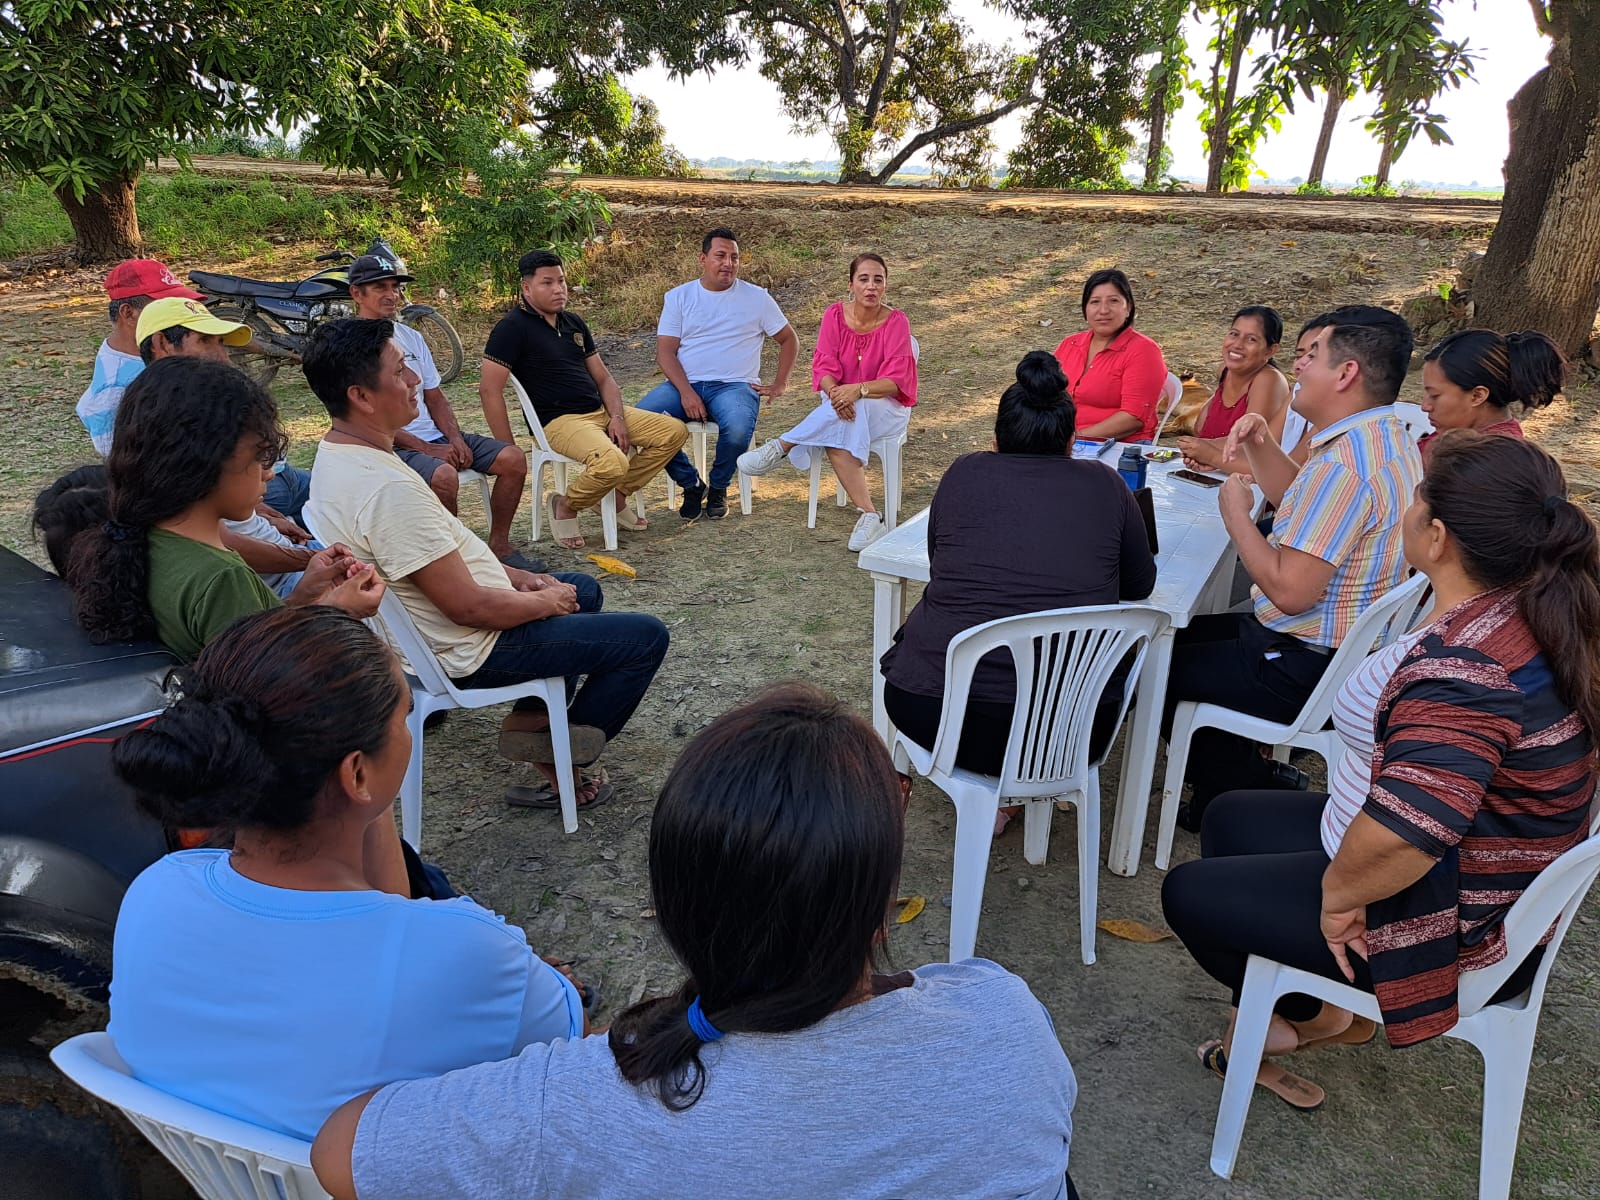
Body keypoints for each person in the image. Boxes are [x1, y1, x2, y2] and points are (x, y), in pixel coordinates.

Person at [312, 682, 1080, 1200]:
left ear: (675, 903)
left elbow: (341, 1152)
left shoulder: (581, 1101)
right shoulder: (1004, 1019)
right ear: (876, 896)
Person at [1161, 433, 1600, 1106]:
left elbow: (1408, 835)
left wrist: (1341, 901)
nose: (1407, 505)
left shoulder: (1469, 673)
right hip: (1461, 865)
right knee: (1229, 817)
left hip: (1444, 910)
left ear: (1438, 536)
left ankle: (1313, 1011)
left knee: (1189, 895)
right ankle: (1304, 1001)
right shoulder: (1524, 607)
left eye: (1417, 497)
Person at [107, 607, 587, 1141]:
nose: (408, 732)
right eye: (404, 718)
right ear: (356, 772)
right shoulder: (467, 950)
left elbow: (384, 920)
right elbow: (572, 1047)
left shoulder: (157, 890)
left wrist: (362, 798)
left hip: (225, 1173)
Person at [305, 319, 670, 811]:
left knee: (583, 588)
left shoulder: (341, 455)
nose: (415, 379)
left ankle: (532, 720)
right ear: (361, 396)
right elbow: (468, 608)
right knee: (644, 639)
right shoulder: (386, 491)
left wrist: (518, 577)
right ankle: (562, 751)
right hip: (469, 649)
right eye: (400, 370)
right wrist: (545, 602)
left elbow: (445, 557)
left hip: (445, 625)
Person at [1162, 306, 1424, 830]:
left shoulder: (1344, 468)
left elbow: (1290, 592)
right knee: (1173, 639)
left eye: (1312, 356)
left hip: (1303, 663)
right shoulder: (1383, 437)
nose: (1298, 367)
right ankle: (1242, 779)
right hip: (1335, 650)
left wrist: (1237, 517)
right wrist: (1260, 446)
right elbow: (1301, 505)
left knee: (1152, 667)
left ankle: (1242, 790)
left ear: (1346, 373)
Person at [880, 352, 1156, 833]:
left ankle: (991, 798)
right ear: (1072, 442)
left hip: (933, 711)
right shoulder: (1107, 484)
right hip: (1069, 730)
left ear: (995, 440)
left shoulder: (964, 472)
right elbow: (1139, 585)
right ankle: (1010, 800)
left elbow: (941, 565)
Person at [38, 356, 383, 658]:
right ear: (204, 464)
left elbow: (240, 634)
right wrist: (337, 611)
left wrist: (305, 597)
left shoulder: (149, 542)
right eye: (259, 456)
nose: (268, 473)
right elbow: (267, 674)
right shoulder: (222, 579)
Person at [77, 259, 315, 523]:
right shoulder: (113, 394)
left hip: (274, 475)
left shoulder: (173, 360)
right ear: (128, 313)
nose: (224, 357)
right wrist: (249, 515)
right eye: (164, 303)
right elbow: (152, 481)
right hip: (247, 495)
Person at [479, 250, 688, 550]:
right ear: (526, 287)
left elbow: (604, 379)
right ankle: (567, 505)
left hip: (599, 412)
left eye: (561, 281)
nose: (558, 289)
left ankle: (615, 493)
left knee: (673, 431)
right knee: (613, 462)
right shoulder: (511, 328)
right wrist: (507, 447)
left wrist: (616, 417)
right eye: (547, 283)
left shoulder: (573, 323)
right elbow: (489, 390)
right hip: (559, 422)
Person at [347, 253, 539, 570]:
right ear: (357, 293)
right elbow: (362, 419)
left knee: (513, 459)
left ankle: (499, 547)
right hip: (392, 444)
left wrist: (454, 438)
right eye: (380, 287)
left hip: (435, 435)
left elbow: (435, 397)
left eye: (395, 287)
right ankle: (453, 560)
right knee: (444, 476)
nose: (392, 295)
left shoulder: (411, 337)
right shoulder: (350, 346)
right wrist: (425, 448)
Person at [736, 252, 918, 551]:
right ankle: (871, 515)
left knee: (854, 411)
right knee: (840, 431)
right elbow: (823, 368)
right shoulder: (834, 315)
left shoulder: (897, 321)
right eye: (863, 279)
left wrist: (856, 391)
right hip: (841, 404)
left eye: (878, 280)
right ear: (851, 284)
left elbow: (896, 382)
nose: (871, 286)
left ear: (885, 285)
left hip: (887, 407)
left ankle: (784, 444)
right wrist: (838, 394)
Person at [636, 227, 800, 521]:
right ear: (703, 259)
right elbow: (665, 353)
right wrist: (687, 393)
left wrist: (780, 383)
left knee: (737, 429)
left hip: (735, 386)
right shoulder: (679, 297)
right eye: (720, 256)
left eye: (734, 257)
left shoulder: (757, 298)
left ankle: (719, 487)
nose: (728, 264)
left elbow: (789, 339)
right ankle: (691, 484)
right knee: (642, 421)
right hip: (684, 384)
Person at [1417, 328, 1566, 464]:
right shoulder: (1458, 436)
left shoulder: (1488, 464)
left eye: (1435, 396)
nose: (1425, 407)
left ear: (1477, 396)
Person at [1051, 268, 1168, 441]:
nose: (1103, 310)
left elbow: (1133, 418)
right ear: (1085, 309)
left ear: (1128, 308)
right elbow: (1043, 393)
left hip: (1119, 445)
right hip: (1063, 441)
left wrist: (1075, 439)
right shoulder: (1070, 344)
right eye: (1095, 302)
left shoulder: (1143, 351)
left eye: (1113, 301)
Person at [1175, 305, 1292, 473]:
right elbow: (1201, 429)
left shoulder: (1269, 381)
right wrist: (1199, 451)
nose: (1237, 344)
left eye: (1251, 339)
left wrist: (1202, 449)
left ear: (1270, 351)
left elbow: (1252, 445)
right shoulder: (1226, 370)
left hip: (1249, 482)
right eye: (1234, 334)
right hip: (1212, 474)